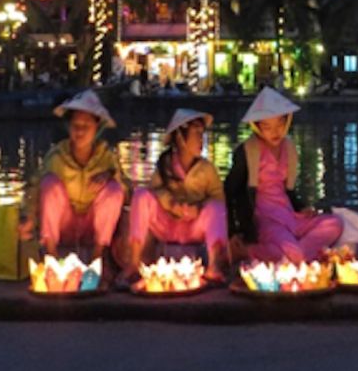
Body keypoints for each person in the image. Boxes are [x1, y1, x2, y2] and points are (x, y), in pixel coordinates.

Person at [225, 87, 343, 262]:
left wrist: (301, 208)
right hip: (266, 220)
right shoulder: (249, 151)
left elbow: (288, 190)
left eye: (279, 125)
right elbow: (229, 191)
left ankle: (294, 254)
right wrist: (233, 231)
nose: (275, 132)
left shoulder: (288, 148)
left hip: (289, 215)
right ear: (257, 126)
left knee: (335, 223)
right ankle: (256, 252)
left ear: (287, 122)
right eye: (267, 127)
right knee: (294, 252)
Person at [121, 109, 228, 283]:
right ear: (180, 137)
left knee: (216, 208)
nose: (201, 140)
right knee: (140, 195)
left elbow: (218, 201)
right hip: (167, 227)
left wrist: (198, 208)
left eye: (202, 135)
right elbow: (153, 192)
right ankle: (133, 263)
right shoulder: (164, 165)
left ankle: (214, 266)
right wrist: (171, 205)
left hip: (194, 228)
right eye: (196, 135)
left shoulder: (207, 169)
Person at [23, 90, 129, 262]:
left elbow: (126, 192)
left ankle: (98, 257)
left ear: (97, 128)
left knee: (114, 189)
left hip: (93, 228)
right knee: (49, 183)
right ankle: (51, 255)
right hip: (64, 226)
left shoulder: (106, 157)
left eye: (86, 126)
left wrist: (110, 175)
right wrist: (28, 217)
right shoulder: (57, 156)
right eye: (75, 126)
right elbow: (34, 189)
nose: (80, 132)